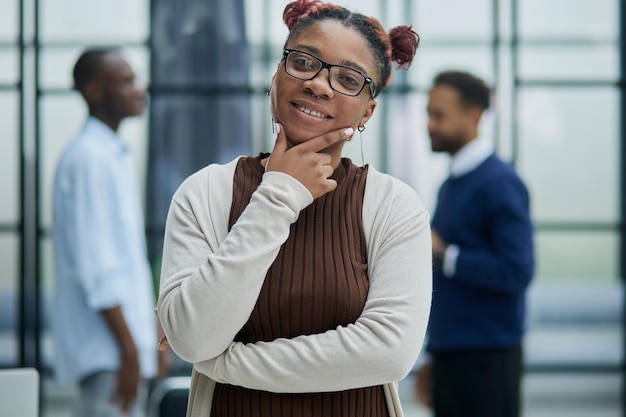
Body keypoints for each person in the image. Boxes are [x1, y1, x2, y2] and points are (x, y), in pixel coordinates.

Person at [156, 1, 432, 416]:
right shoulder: (205, 192)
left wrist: (223, 362)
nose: (319, 85)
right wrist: (278, 196)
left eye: (347, 78)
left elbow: (389, 353)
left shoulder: (392, 206)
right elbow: (194, 338)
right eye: (303, 62)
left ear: (367, 111)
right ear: (276, 78)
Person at [52, 48, 167, 417]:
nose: (140, 89)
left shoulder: (109, 154)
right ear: (95, 91)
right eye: (127, 81)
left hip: (120, 349)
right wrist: (131, 350)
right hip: (108, 353)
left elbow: (125, 264)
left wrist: (148, 344)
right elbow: (97, 268)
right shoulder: (90, 158)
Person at [414, 70, 535, 417]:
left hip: (486, 362)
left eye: (439, 115)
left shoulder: (501, 183)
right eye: (428, 114)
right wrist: (432, 356)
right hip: (454, 356)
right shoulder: (453, 182)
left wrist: (445, 254)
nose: (429, 124)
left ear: (474, 115)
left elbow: (517, 271)